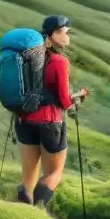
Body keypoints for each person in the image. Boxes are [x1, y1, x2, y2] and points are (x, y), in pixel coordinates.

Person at [15, 14, 89, 207]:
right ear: (53, 34)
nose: (67, 37)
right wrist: (78, 96)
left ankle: (21, 210)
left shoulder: (27, 58)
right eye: (65, 33)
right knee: (53, 174)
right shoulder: (59, 62)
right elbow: (64, 102)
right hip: (49, 121)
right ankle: (37, 212)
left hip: (23, 120)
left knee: (28, 178)